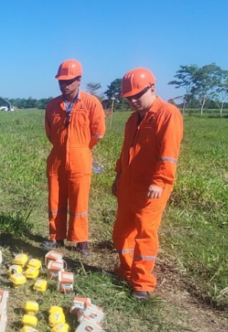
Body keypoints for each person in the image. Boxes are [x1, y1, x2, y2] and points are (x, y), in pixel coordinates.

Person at [112, 68, 183, 300]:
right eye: (128, 97)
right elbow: (125, 151)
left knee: (145, 234)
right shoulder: (133, 119)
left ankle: (142, 283)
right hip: (129, 183)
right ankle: (126, 270)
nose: (132, 101)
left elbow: (169, 155)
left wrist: (160, 181)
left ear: (152, 88)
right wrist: (118, 175)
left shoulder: (168, 114)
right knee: (122, 231)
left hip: (152, 187)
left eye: (136, 95)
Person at [43, 59, 106, 255]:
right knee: (55, 199)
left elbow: (98, 132)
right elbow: (49, 132)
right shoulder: (53, 105)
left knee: (79, 201)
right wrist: (63, 147)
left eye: (69, 81)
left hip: (81, 157)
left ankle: (81, 240)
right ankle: (56, 237)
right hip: (57, 158)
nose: (64, 85)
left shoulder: (91, 103)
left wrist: (81, 149)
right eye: (61, 81)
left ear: (79, 80)